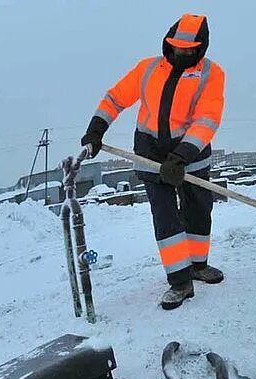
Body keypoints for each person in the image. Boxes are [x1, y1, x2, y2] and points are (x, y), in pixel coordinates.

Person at [80, 13, 226, 309]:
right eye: (176, 47)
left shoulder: (212, 74)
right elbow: (115, 98)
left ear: (201, 47)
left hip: (191, 156)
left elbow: (207, 119)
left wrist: (182, 155)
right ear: (168, 43)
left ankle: (198, 265)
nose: (181, 53)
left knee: (199, 211)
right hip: (149, 154)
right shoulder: (148, 69)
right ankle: (179, 281)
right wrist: (97, 128)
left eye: (189, 49)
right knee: (165, 216)